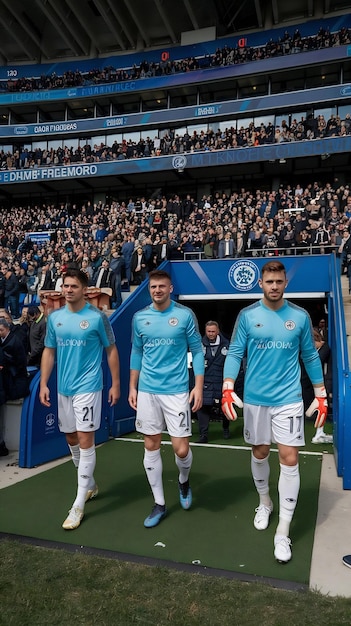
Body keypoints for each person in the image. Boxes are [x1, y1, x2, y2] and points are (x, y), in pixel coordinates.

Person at [222, 260, 327, 563]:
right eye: (269, 282)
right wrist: (228, 386)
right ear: (261, 284)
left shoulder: (300, 316)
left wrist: (321, 393)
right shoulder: (247, 316)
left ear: (285, 283)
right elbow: (236, 352)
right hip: (255, 399)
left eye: (279, 281)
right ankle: (265, 502)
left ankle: (283, 531)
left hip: (289, 398)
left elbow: (309, 355)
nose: (274, 286)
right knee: (259, 452)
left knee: (290, 457)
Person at [39, 268, 120, 530]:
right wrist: (43, 383)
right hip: (64, 388)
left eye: (74, 286)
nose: (68, 290)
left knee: (86, 440)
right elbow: (49, 352)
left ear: (85, 289)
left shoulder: (97, 318)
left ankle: (78, 505)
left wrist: (115, 384)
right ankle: (91, 485)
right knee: (71, 437)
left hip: (89, 386)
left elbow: (111, 350)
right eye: (65, 286)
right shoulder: (55, 318)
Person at [129, 269, 204, 528]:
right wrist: (132, 386)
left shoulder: (184, 315)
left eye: (162, 286)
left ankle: (183, 481)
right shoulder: (140, 318)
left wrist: (198, 386)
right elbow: (136, 352)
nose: (157, 290)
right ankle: (159, 503)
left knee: (181, 449)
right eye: (153, 287)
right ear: (149, 290)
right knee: (151, 444)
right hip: (148, 390)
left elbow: (197, 350)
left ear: (170, 288)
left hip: (177, 391)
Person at [196, 321, 231, 443]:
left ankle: (226, 428)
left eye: (213, 331)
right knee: (203, 407)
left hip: (221, 380)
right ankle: (203, 435)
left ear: (218, 331)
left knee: (225, 407)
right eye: (208, 331)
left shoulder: (227, 345)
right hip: (205, 381)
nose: (211, 334)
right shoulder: (199, 345)